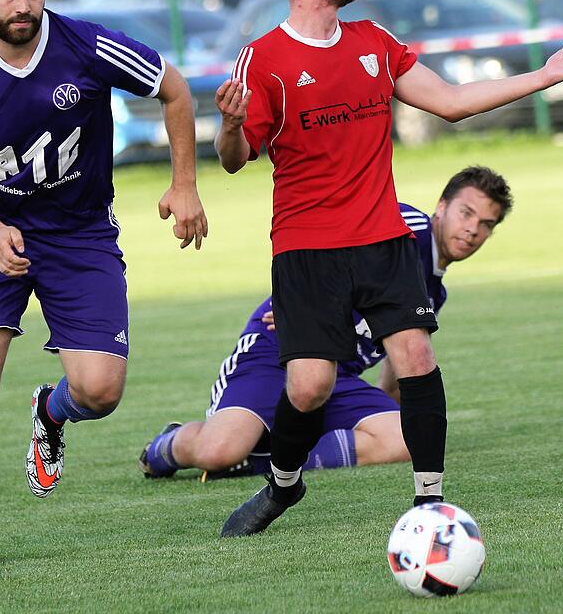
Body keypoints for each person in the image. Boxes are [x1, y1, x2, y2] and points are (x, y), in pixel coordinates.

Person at [213, 0, 563, 538]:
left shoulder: (373, 41)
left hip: (384, 236)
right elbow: (236, 159)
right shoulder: (265, 59)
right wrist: (231, 125)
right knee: (309, 386)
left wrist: (544, 77)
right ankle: (283, 485)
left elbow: (449, 102)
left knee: (417, 356)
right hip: (308, 248)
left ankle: (429, 504)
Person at [0, 0, 207, 573]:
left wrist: (185, 183)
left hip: (81, 233)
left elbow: (174, 89)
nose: (23, 4)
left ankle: (50, 412)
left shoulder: (87, 46)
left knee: (101, 390)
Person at [138, 167, 512, 483]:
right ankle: (165, 447)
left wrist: (394, 410)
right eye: (466, 213)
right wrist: (301, 302)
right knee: (218, 451)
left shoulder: (435, 290)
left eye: (485, 224)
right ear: (442, 207)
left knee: (404, 439)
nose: (472, 229)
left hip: (338, 378)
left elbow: (402, 361)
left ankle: (262, 461)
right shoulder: (409, 228)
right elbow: (334, 232)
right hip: (280, 347)